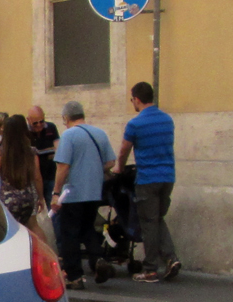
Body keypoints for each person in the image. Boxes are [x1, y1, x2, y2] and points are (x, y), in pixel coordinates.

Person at [115, 81, 181, 283]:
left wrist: (119, 167)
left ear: (136, 99)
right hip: (167, 176)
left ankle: (151, 268)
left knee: (148, 223)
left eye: (132, 100)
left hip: (147, 179)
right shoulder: (167, 120)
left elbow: (125, 149)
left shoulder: (135, 124)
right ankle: (171, 259)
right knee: (157, 218)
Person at [50, 101, 116, 290]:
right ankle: (98, 259)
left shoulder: (69, 135)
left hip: (73, 192)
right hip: (94, 192)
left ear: (65, 118)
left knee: (69, 233)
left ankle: (74, 276)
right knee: (87, 228)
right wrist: (93, 170)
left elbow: (63, 166)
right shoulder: (100, 133)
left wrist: (56, 193)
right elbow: (111, 162)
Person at [0, 114, 45, 235]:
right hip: (28, 196)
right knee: (34, 227)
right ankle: (46, 252)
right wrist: (40, 198)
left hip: (9, 198)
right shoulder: (31, 151)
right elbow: (37, 177)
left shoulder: (0, 152)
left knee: (9, 231)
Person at [27, 105, 60, 207]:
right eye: (35, 123)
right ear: (28, 120)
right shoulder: (25, 132)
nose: (39, 125)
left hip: (51, 176)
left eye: (42, 121)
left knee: (53, 208)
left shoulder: (51, 127)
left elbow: (58, 149)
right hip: (33, 179)